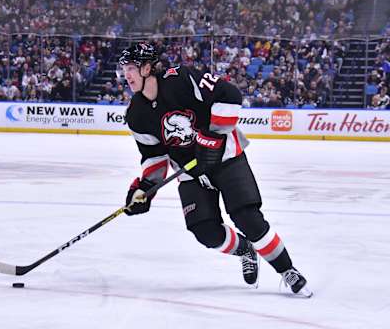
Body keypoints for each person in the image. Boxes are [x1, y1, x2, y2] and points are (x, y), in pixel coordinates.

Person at [119, 43, 312, 297]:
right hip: (190, 173)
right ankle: (245, 249)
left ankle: (287, 270)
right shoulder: (136, 114)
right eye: (124, 69)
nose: (127, 75)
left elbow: (229, 94)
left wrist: (212, 137)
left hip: (226, 158)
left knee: (248, 218)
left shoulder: (182, 79)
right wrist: (145, 188)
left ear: (147, 68)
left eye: (132, 68)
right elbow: (154, 157)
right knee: (205, 231)